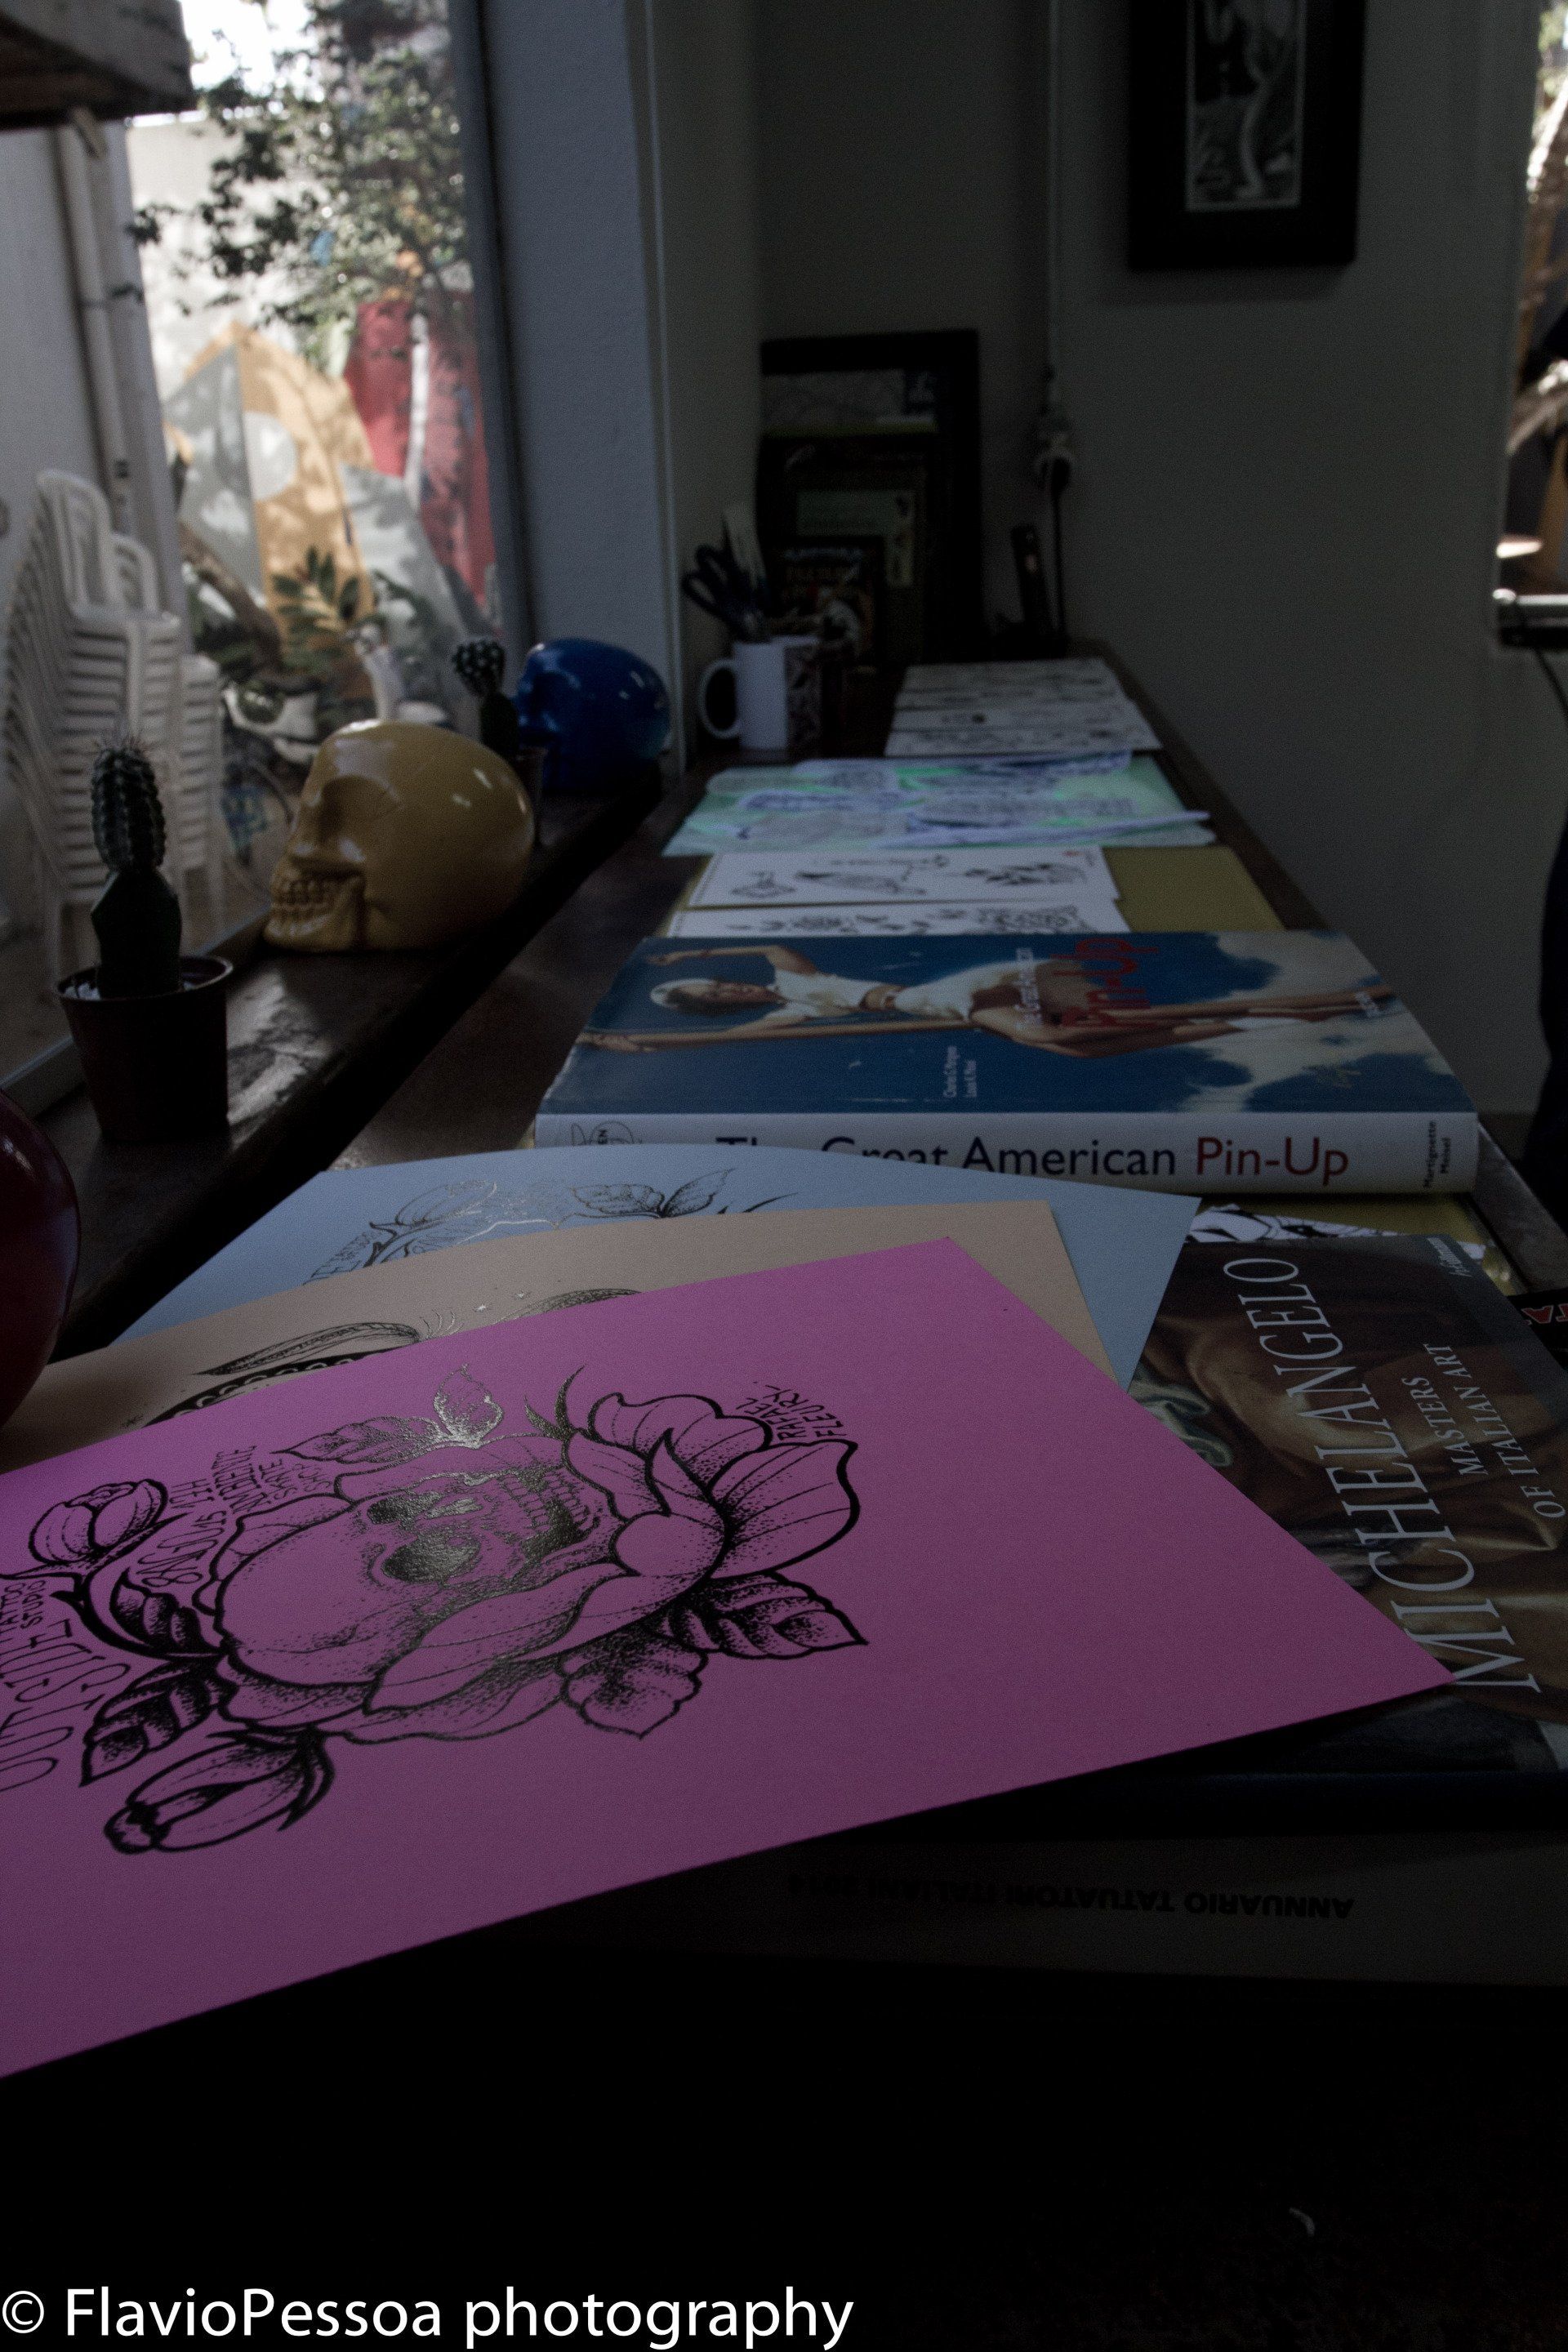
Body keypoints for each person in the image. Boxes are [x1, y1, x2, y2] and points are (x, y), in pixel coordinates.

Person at [583, 944, 1392, 1058]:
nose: (726, 989)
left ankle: (1336, 999)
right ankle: (1316, 1009)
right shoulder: (783, 1014)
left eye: (718, 981)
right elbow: (737, 1043)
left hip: (951, 995)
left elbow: (762, 948)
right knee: (1089, 1046)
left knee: (1070, 1035)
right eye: (713, 995)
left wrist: (686, 954)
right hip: (944, 1007)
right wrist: (632, 1042)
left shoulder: (791, 977)